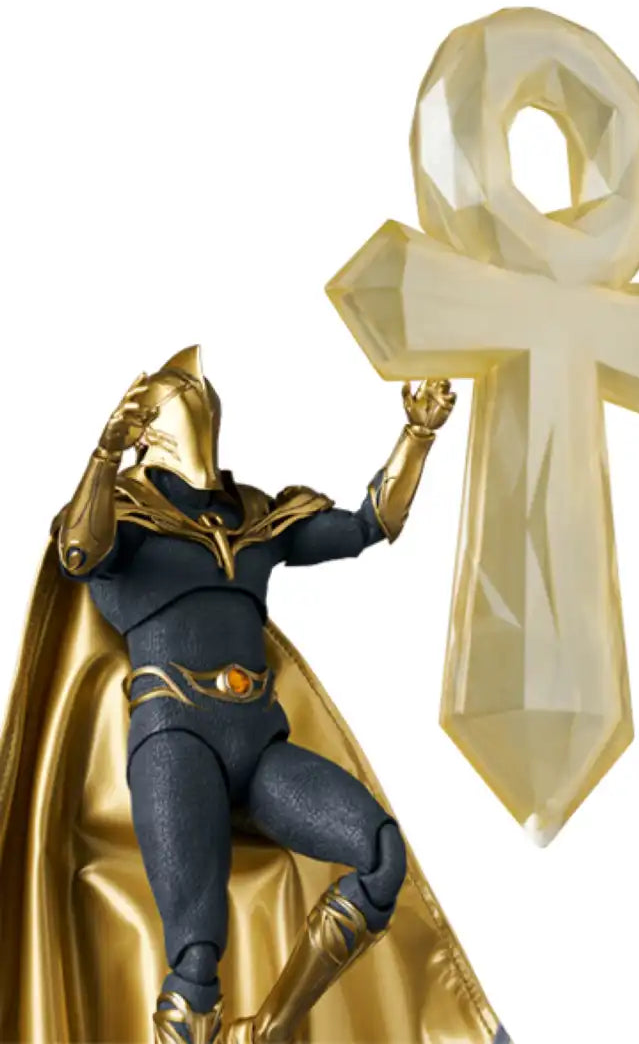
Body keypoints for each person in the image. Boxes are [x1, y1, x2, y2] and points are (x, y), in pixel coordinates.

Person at [55, 345, 455, 1043]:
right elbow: (79, 553)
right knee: (195, 962)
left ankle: (269, 1029)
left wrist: (418, 433)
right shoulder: (125, 514)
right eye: (178, 398)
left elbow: (371, 524)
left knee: (380, 853)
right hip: (175, 739)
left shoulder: (253, 517)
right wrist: (103, 455)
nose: (195, 402)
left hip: (260, 745)